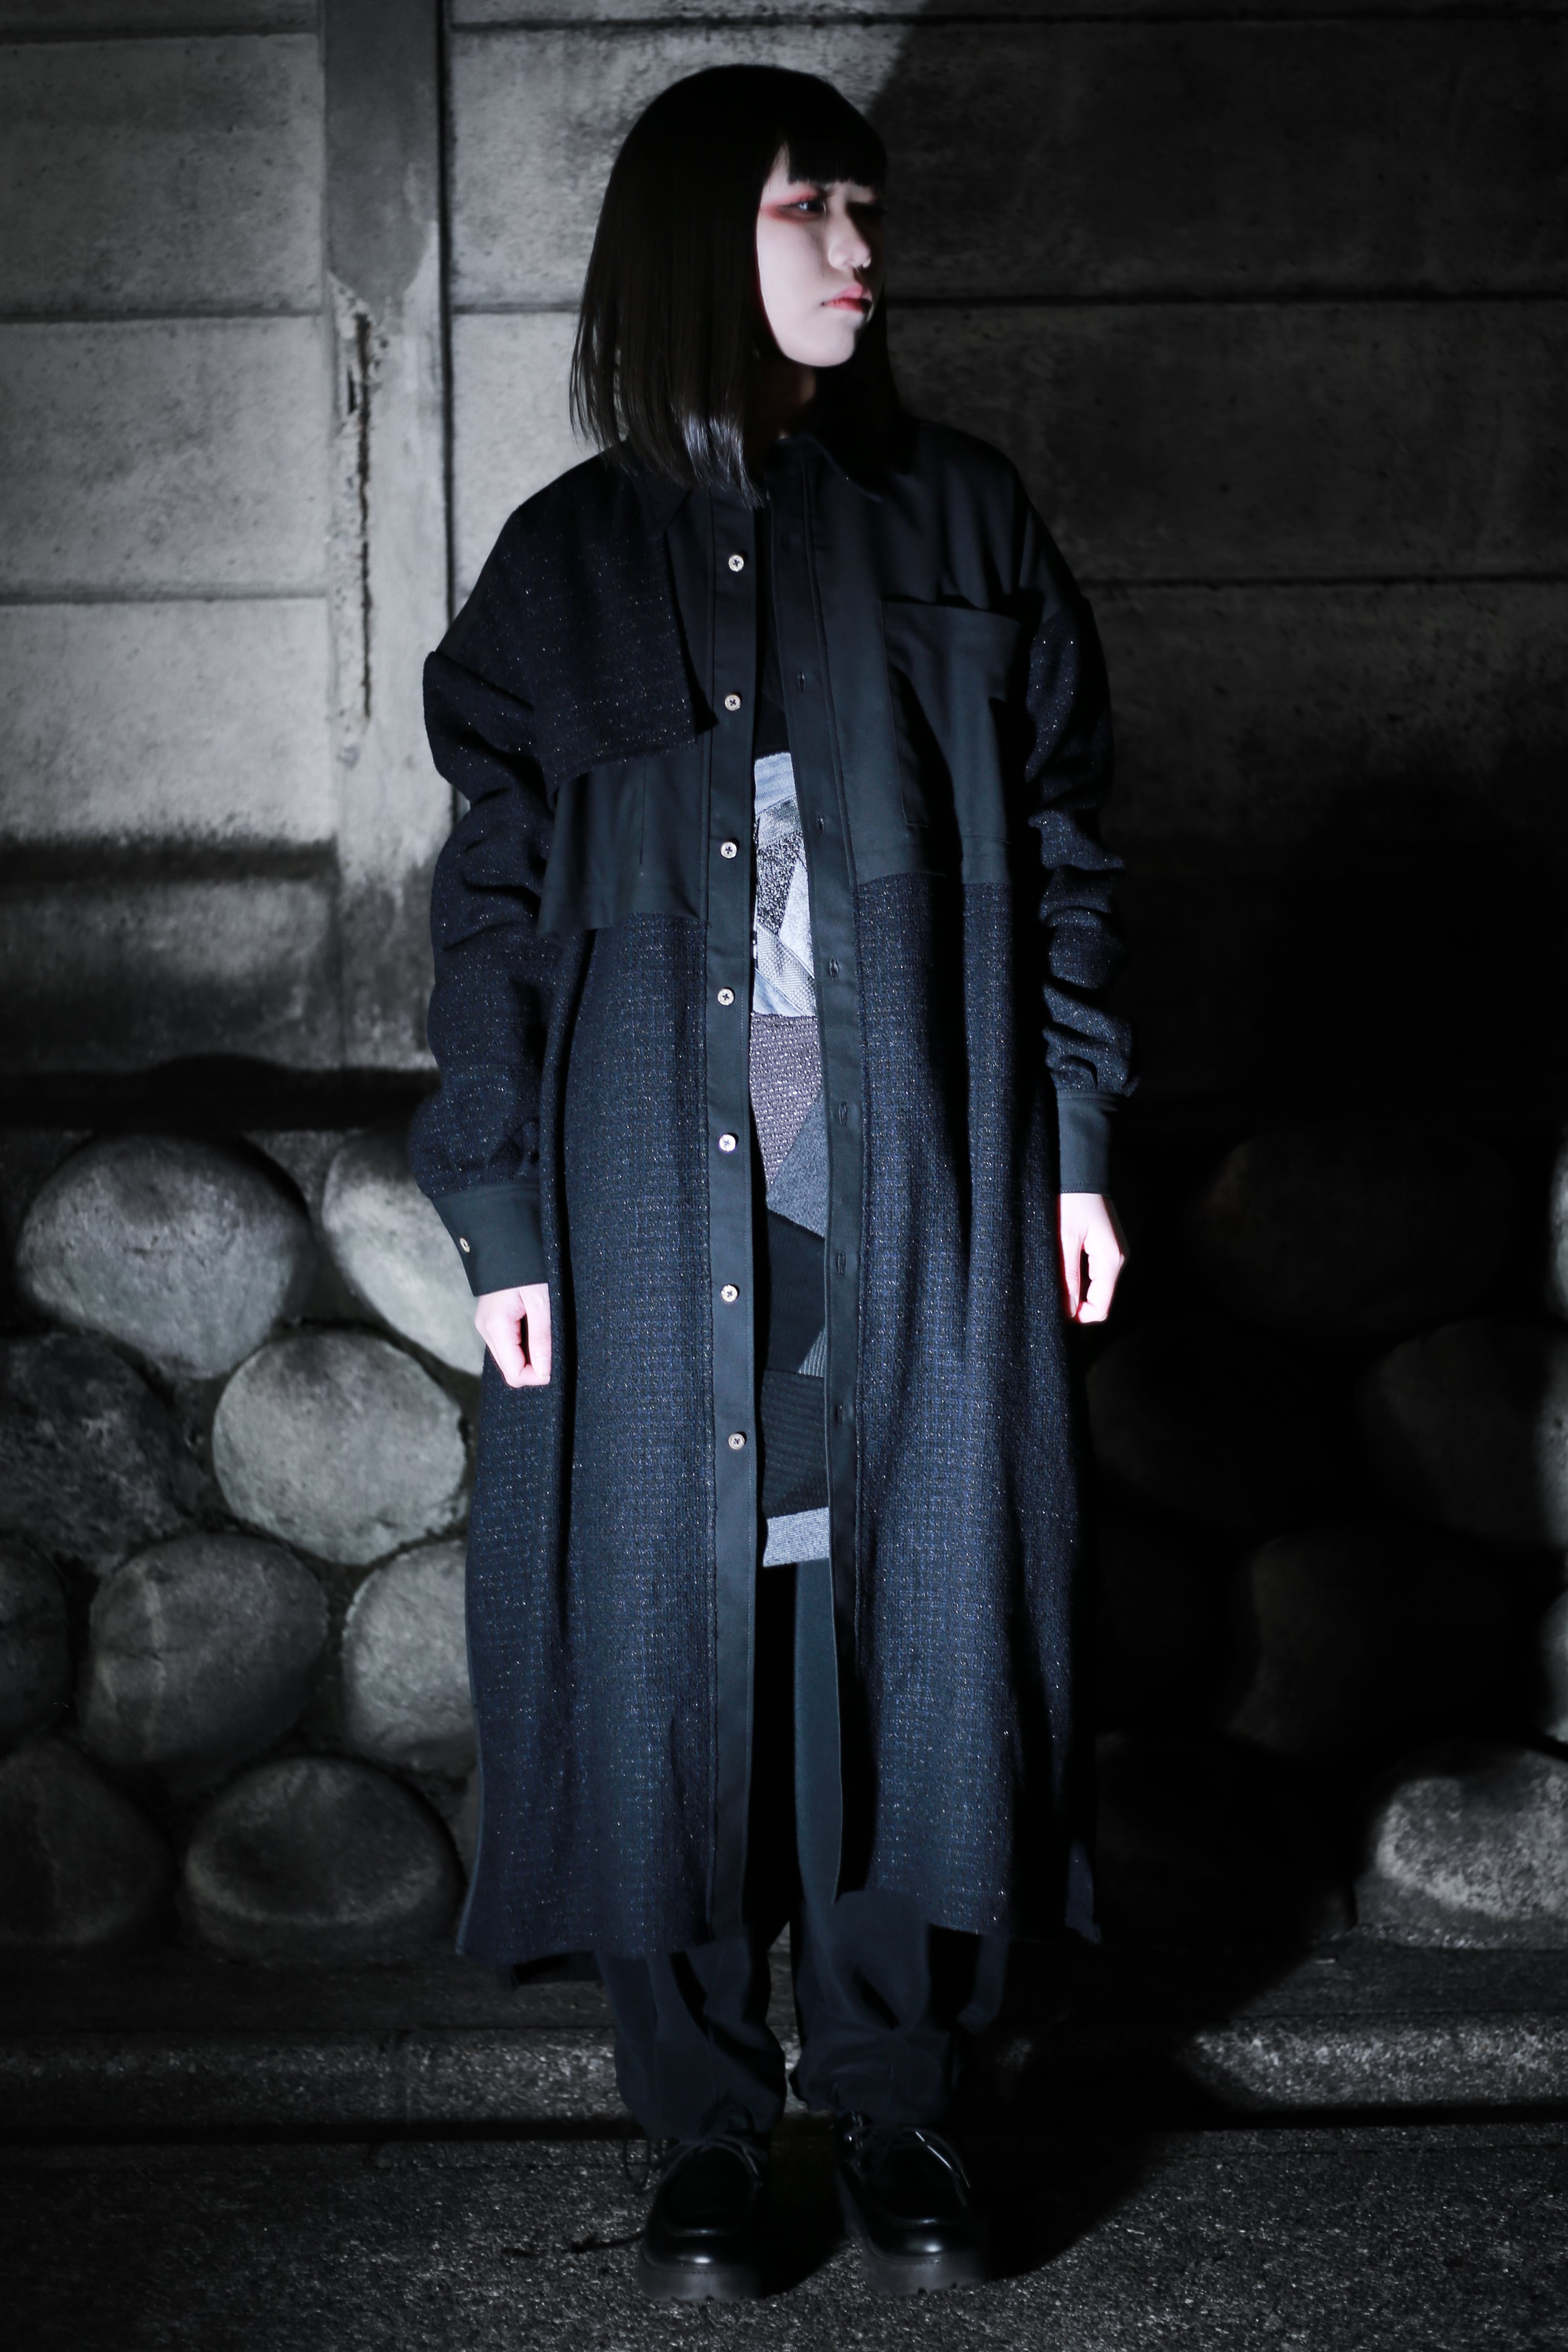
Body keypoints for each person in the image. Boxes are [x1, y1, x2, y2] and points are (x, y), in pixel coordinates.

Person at [409, 64, 1132, 2302]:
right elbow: (493, 913)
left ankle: (900, 2101)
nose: (854, 248)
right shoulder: (565, 567)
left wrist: (1075, 1144)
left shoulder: (963, 523)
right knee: (665, 1634)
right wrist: (501, 1212)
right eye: (806, 208)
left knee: (902, 1618)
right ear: (687, 242)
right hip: (648, 1199)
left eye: (866, 209)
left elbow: (1069, 859)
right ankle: (710, 2127)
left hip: (921, 1179)